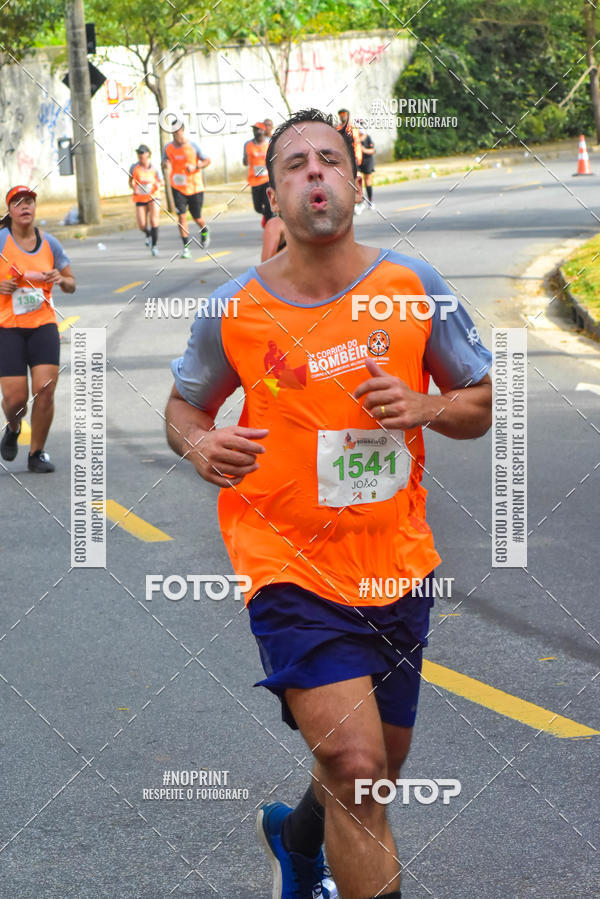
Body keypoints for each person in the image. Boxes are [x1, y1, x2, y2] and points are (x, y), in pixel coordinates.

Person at [166, 108, 492, 899]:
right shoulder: (233, 310)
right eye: (294, 165)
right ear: (271, 195)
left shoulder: (414, 289)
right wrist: (199, 444)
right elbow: (184, 410)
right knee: (355, 763)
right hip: (287, 568)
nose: (315, 172)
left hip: (395, 565)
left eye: (330, 160)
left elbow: (478, 403)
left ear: (355, 180)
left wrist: (428, 408)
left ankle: (293, 835)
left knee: (374, 773)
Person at [0, 186, 76, 473]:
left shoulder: (50, 244)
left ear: (35, 208)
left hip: (43, 325)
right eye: (17, 203)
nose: (24, 206)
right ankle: (14, 425)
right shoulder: (1, 241)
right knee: (16, 399)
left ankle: (37, 453)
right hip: (7, 327)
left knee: (45, 390)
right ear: (10, 211)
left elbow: (71, 284)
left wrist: (61, 278)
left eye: (29, 201)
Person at [162, 122, 211, 258]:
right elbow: (164, 161)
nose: (176, 135)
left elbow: (207, 160)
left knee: (197, 217)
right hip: (178, 187)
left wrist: (196, 166)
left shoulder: (193, 146)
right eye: (173, 132)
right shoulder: (168, 147)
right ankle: (186, 247)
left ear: (183, 131)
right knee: (181, 216)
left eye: (178, 132)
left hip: (195, 186)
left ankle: (204, 229)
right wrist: (165, 164)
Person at [129, 144, 162, 256]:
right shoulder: (134, 167)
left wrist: (157, 184)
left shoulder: (154, 168)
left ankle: (154, 246)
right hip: (140, 197)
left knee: (154, 220)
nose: (140, 155)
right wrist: (133, 187)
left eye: (142, 153)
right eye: (139, 153)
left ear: (148, 154)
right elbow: (131, 181)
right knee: (142, 225)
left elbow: (161, 181)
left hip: (153, 196)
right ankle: (148, 234)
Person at [243, 122, 274, 225]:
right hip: (254, 181)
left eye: (258, 129)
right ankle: (267, 215)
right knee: (257, 207)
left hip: (267, 180)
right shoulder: (247, 144)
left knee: (268, 204)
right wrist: (245, 160)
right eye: (254, 129)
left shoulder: (269, 143)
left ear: (263, 131)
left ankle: (270, 224)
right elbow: (244, 160)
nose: (256, 131)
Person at [357, 120, 376, 209]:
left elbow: (373, 150)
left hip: (367, 160)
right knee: (357, 179)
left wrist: (364, 150)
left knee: (367, 180)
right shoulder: (355, 138)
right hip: (358, 160)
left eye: (361, 126)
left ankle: (371, 201)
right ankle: (361, 199)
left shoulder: (367, 137)